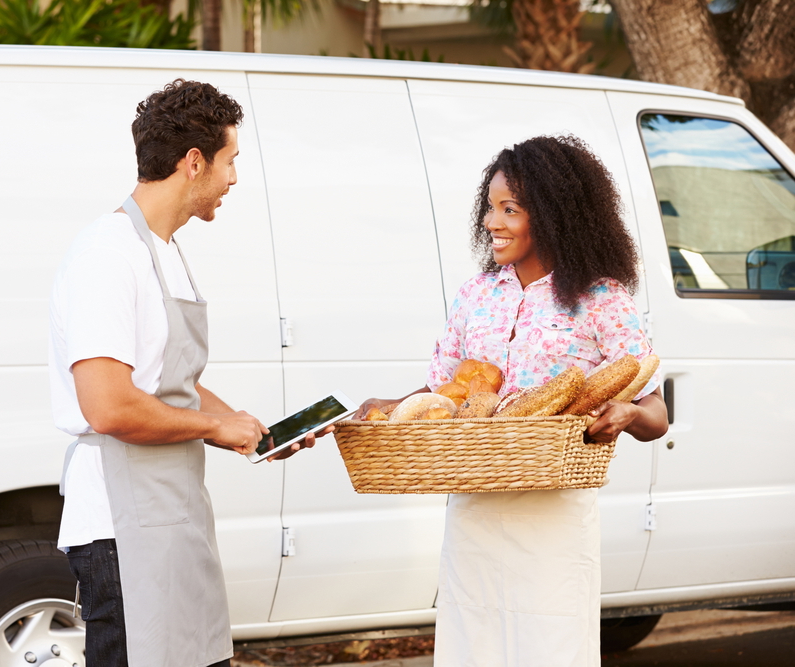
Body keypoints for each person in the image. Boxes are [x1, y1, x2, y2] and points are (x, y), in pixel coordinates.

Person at [356, 135, 669, 666]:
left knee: (549, 648)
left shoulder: (602, 299)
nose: (491, 222)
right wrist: (384, 404)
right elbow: (442, 394)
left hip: (554, 516)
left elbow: (656, 414)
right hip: (474, 505)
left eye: (510, 209)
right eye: (489, 207)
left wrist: (629, 413)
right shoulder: (476, 295)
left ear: (553, 214)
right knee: (472, 643)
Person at [48, 79, 317, 667]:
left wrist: (251, 430)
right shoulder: (108, 254)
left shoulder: (164, 250)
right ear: (194, 162)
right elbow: (110, 405)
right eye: (230, 161)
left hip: (171, 514)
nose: (234, 178)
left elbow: (173, 381)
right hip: (122, 527)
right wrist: (213, 429)